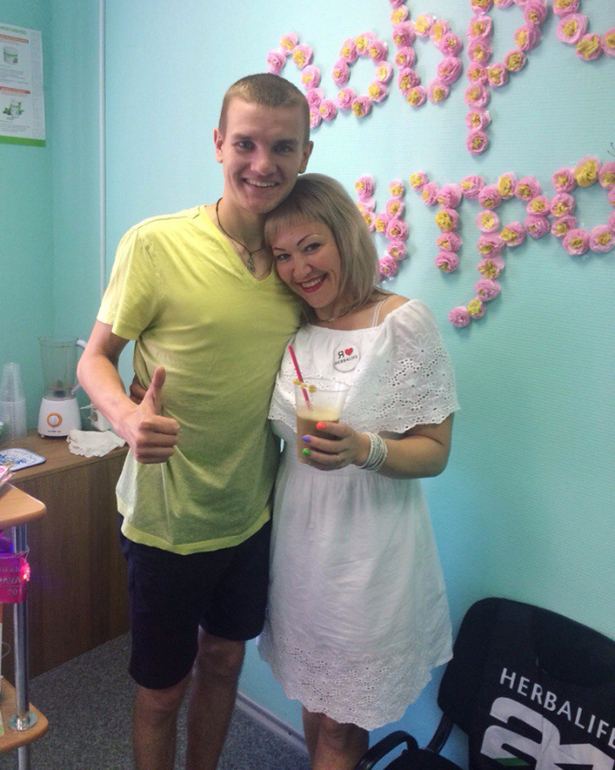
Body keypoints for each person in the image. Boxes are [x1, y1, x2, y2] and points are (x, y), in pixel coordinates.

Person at [77, 73, 313, 770]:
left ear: (305, 154)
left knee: (224, 664)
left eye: (282, 146)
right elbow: (95, 358)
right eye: (245, 143)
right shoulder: (156, 244)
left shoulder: (297, 262)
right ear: (218, 144)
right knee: (161, 693)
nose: (262, 163)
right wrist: (126, 416)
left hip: (250, 514)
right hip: (167, 518)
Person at [257, 173, 460, 770]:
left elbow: (436, 451)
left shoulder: (402, 323)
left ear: (345, 236)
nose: (299, 268)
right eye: (283, 255)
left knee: (342, 727)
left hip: (368, 559)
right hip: (300, 553)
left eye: (311, 246)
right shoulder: (294, 327)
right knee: (316, 705)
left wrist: (364, 449)